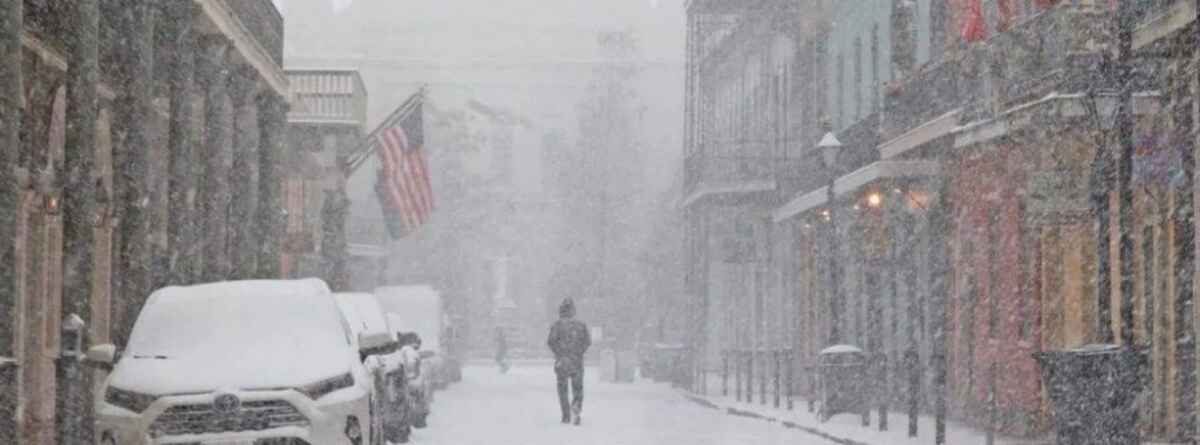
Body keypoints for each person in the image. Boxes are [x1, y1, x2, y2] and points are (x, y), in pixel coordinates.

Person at [547, 298, 591, 425]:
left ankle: (566, 414)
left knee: (562, 389)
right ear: (573, 311)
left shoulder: (557, 325)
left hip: (562, 362)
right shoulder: (581, 325)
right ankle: (576, 408)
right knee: (577, 388)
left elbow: (550, 342)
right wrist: (579, 352)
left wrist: (559, 353)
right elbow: (587, 342)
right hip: (576, 362)